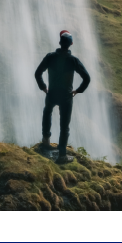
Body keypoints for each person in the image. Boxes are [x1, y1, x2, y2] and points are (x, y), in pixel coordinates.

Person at [34, 30, 90, 164]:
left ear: (59, 43)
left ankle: (46, 141)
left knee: (47, 112)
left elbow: (37, 73)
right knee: (64, 126)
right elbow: (87, 78)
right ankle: (62, 155)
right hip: (66, 97)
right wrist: (78, 91)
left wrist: (43, 87)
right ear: (71, 44)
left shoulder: (50, 57)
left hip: (52, 94)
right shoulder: (73, 60)